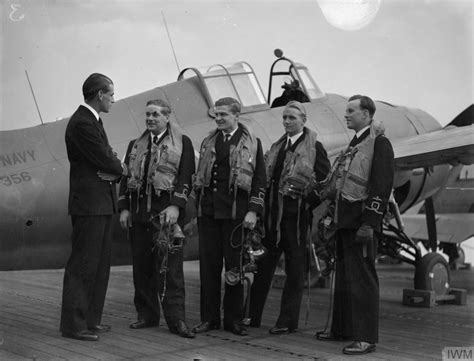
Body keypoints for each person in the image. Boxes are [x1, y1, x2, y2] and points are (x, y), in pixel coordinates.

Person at [315, 95, 394, 355]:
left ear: (367, 115)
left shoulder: (379, 144)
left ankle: (365, 338)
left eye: (351, 111)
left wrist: (370, 223)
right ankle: (342, 329)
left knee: (362, 280)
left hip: (361, 223)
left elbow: (381, 187)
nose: (346, 115)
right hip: (344, 222)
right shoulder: (355, 143)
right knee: (347, 279)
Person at [248, 100, 330, 334]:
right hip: (272, 222)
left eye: (292, 118)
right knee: (262, 269)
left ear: (303, 120)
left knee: (295, 273)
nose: (286, 121)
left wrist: (306, 204)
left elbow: (325, 184)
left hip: (295, 222)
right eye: (284, 117)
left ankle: (287, 321)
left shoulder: (316, 148)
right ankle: (251, 317)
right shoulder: (277, 146)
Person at [118, 99, 196, 338]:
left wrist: (176, 205)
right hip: (140, 216)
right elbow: (125, 178)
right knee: (142, 269)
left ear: (167, 116)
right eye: (148, 115)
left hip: (166, 218)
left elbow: (186, 177)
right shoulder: (135, 145)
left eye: (155, 115)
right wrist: (124, 208)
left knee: (171, 271)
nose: (150, 118)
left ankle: (176, 320)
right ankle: (147, 315)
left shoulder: (182, 143)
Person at [192, 97, 266, 336]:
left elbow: (259, 180)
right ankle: (209, 318)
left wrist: (253, 210)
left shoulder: (253, 144)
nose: (219, 118)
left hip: (237, 215)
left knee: (235, 269)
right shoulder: (208, 141)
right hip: (210, 214)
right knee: (208, 269)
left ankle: (233, 320)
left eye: (224, 114)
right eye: (217, 114)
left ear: (236, 115)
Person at [60, 73, 126, 341]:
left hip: (100, 204)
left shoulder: (91, 121)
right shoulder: (83, 124)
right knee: (83, 266)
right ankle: (73, 326)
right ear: (100, 94)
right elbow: (107, 160)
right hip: (90, 206)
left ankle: (90, 320)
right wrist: (118, 167)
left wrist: (111, 165)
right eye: (111, 94)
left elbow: (107, 158)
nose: (113, 99)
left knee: (99, 266)